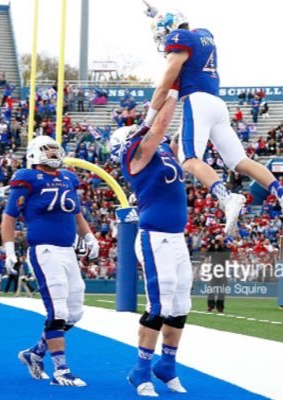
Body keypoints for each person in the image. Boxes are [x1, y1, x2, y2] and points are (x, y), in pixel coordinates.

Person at [141, 9, 283, 235]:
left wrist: (147, 121)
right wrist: (159, 14)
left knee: (188, 159)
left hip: (197, 101)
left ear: (170, 31)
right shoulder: (203, 34)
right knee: (239, 161)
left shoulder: (180, 40)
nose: (164, 43)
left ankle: (226, 198)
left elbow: (163, 86)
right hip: (216, 104)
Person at [1, 135, 99, 386]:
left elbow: (77, 214)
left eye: (55, 150)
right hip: (44, 249)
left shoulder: (68, 178)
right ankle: (61, 370)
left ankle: (35, 353)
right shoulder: (28, 177)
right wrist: (10, 250)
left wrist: (89, 236)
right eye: (47, 150)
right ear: (34, 154)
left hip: (67, 251)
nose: (54, 154)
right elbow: (10, 217)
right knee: (58, 310)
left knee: (75, 312)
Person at [111, 95, 191, 397]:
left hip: (176, 236)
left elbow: (179, 138)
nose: (138, 133)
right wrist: (172, 92)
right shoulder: (137, 158)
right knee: (160, 305)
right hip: (154, 236)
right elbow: (159, 125)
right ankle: (141, 370)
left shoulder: (162, 153)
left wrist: (194, 102)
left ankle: (167, 366)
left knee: (181, 305)